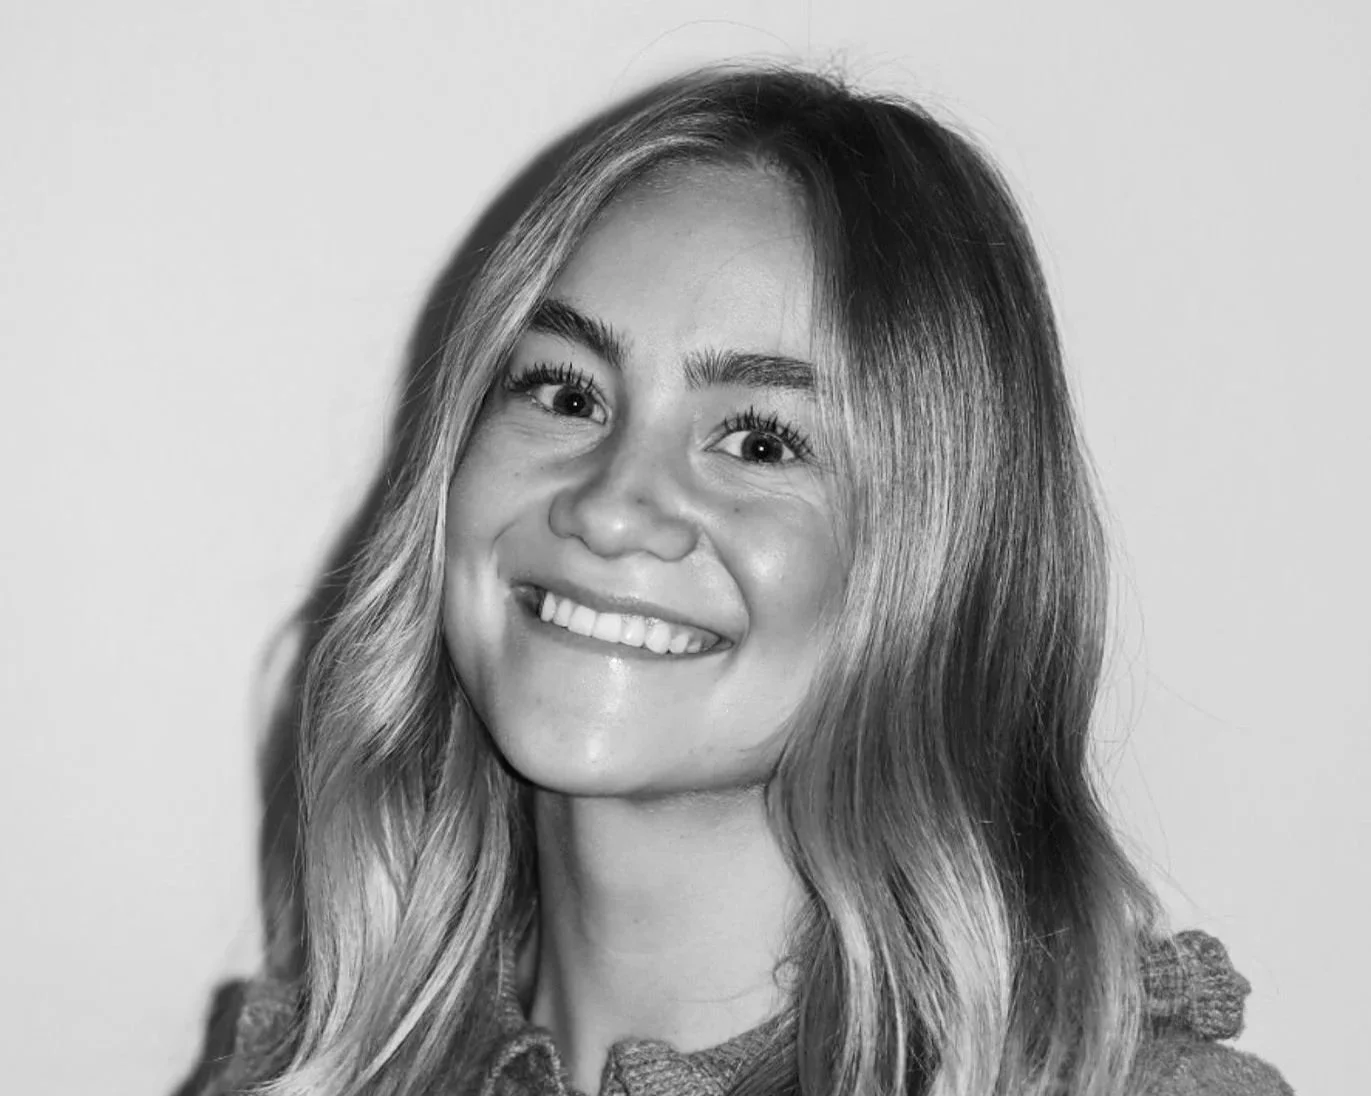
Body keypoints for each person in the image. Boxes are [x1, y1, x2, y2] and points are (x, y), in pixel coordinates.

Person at [186, 62, 1291, 1096]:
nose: (611, 505)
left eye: (761, 441)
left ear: (942, 562)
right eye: (566, 392)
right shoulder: (305, 1065)